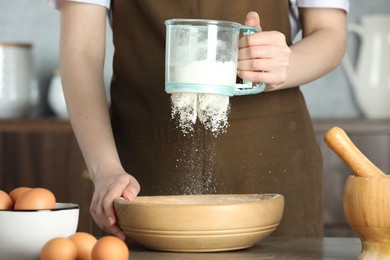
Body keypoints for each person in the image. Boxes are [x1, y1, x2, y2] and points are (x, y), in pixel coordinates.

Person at [51, 0, 348, 239]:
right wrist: (105, 170)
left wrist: (283, 64)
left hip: (273, 158)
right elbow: (81, 51)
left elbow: (329, 32)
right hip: (139, 170)